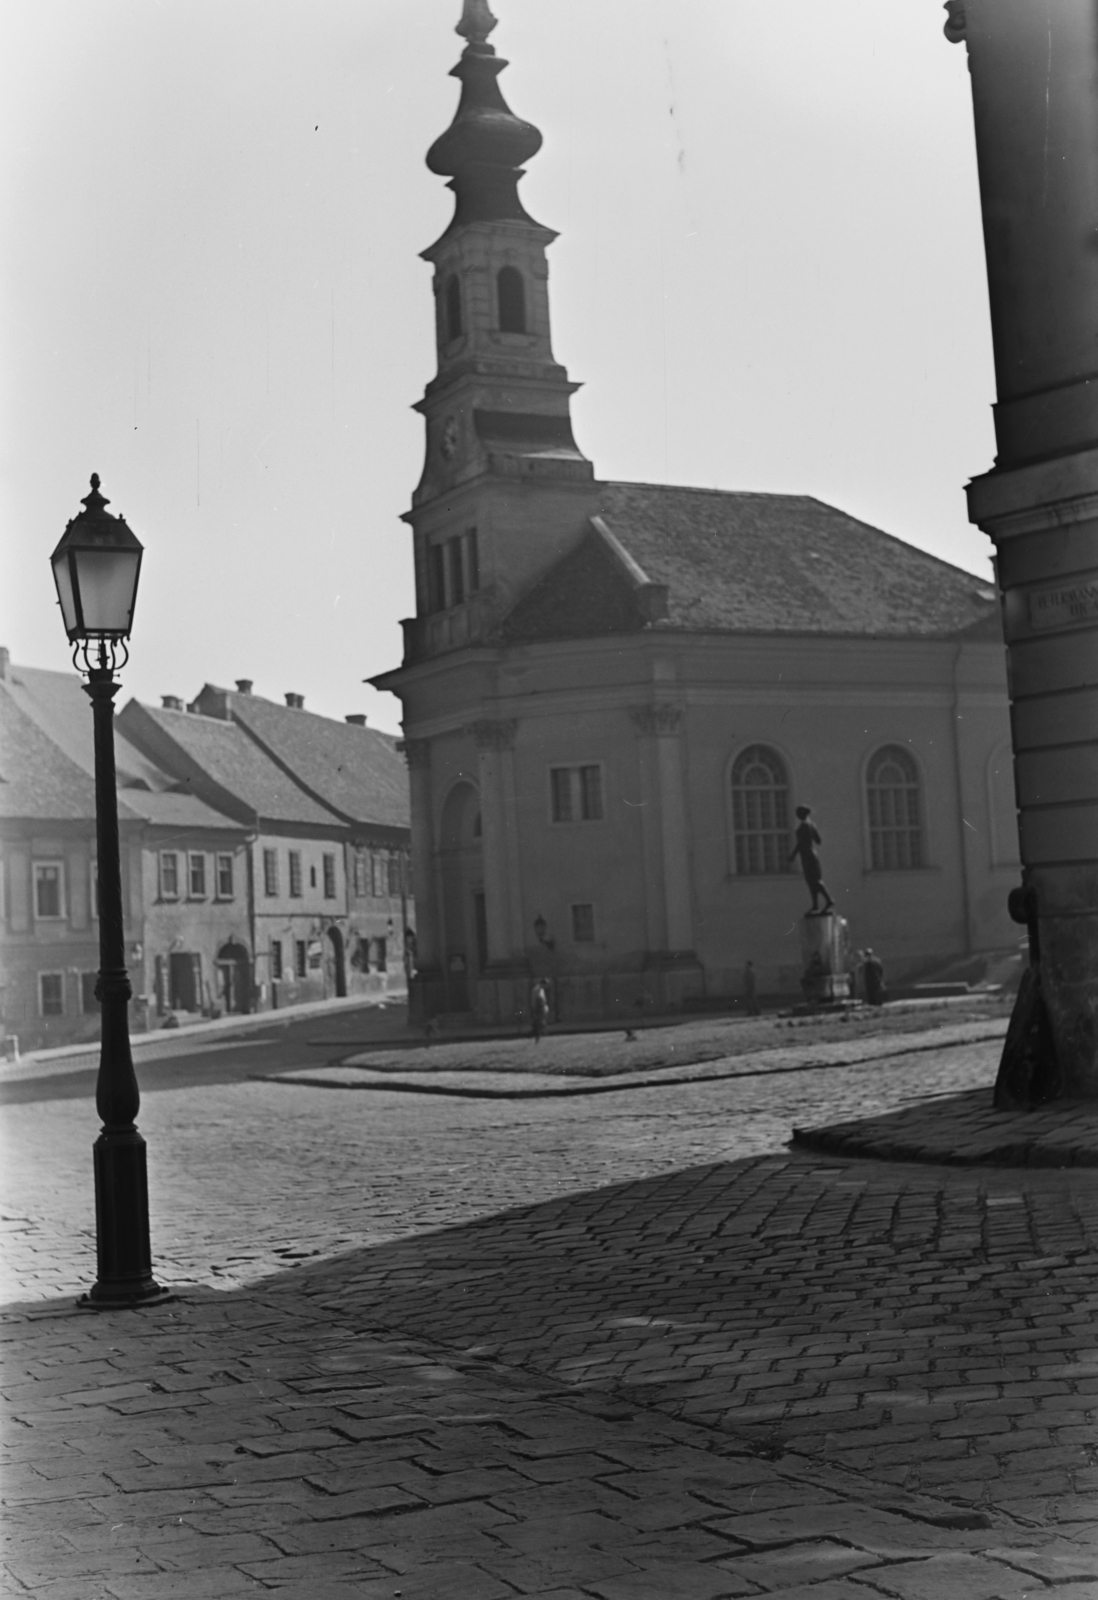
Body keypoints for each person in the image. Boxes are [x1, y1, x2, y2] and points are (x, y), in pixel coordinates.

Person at [788, 805, 835, 914]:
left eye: (798, 813)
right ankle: (815, 905)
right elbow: (818, 841)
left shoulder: (803, 826)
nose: (796, 815)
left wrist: (793, 855)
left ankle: (829, 900)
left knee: (814, 881)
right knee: (811, 881)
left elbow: (800, 843)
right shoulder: (811, 825)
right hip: (811, 855)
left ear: (801, 814)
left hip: (807, 856)